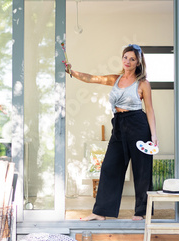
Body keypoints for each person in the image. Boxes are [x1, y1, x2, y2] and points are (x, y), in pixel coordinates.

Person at [65, 44, 158, 221]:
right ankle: (100, 211)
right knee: (109, 167)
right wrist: (72, 71)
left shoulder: (143, 83)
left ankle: (141, 212)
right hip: (119, 125)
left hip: (138, 125)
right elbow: (92, 78)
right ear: (122, 59)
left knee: (142, 170)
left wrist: (153, 136)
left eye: (132, 59)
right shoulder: (116, 79)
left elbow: (150, 109)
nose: (128, 61)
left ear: (138, 62)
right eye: (125, 57)